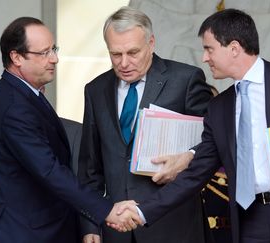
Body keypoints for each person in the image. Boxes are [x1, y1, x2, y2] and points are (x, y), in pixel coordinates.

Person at [135, 9, 270, 243]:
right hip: (250, 221)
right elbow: (195, 173)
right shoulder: (219, 107)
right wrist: (142, 212)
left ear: (234, 48)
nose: (204, 58)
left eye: (209, 48)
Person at [0, 16, 139, 243]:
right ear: (16, 57)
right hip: (19, 232)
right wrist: (106, 210)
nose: (55, 59)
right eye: (44, 53)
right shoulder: (14, 107)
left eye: (54, 49)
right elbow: (49, 171)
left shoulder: (25, 94)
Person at [78, 6, 213, 243]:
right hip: (116, 228)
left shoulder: (186, 80)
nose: (124, 62)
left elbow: (213, 142)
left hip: (173, 226)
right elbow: (90, 167)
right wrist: (90, 224)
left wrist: (188, 157)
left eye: (133, 52)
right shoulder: (95, 90)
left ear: (151, 43)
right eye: (115, 54)